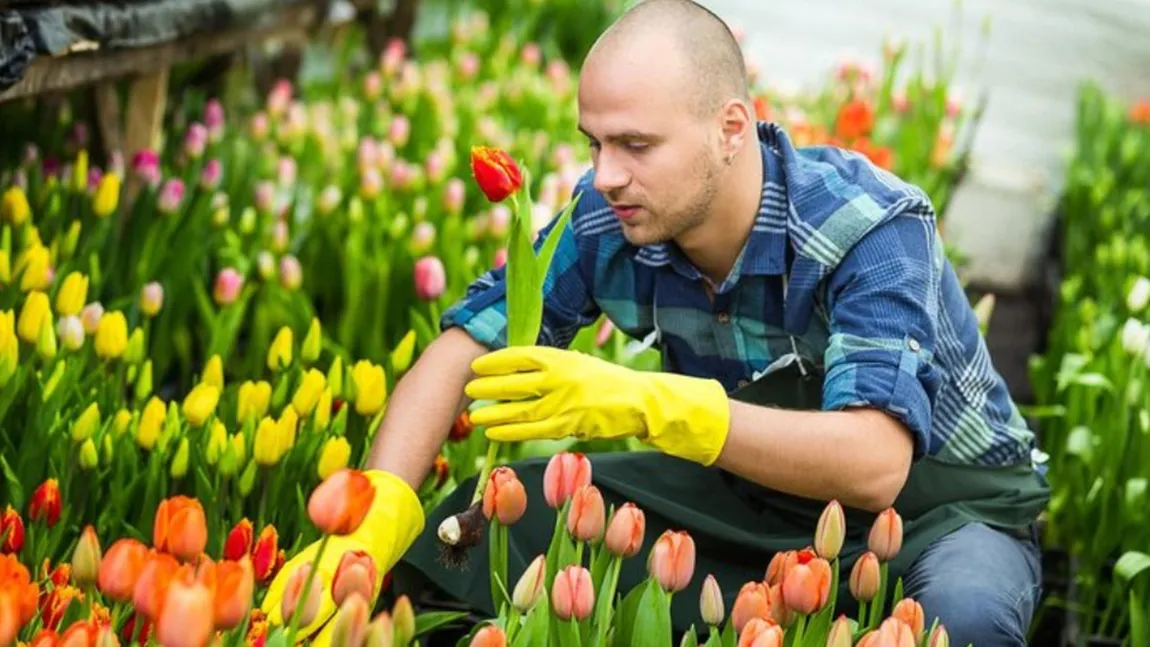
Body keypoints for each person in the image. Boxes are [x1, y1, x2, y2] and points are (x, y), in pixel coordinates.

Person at [262, 1, 1050, 645]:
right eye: (595, 142)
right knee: (455, 542)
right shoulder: (611, 217)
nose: (605, 174)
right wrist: (374, 515)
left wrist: (651, 403)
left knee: (966, 621)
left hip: (941, 512)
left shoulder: (865, 229)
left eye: (635, 144)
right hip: (750, 496)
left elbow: (875, 460)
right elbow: (465, 345)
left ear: (731, 129)